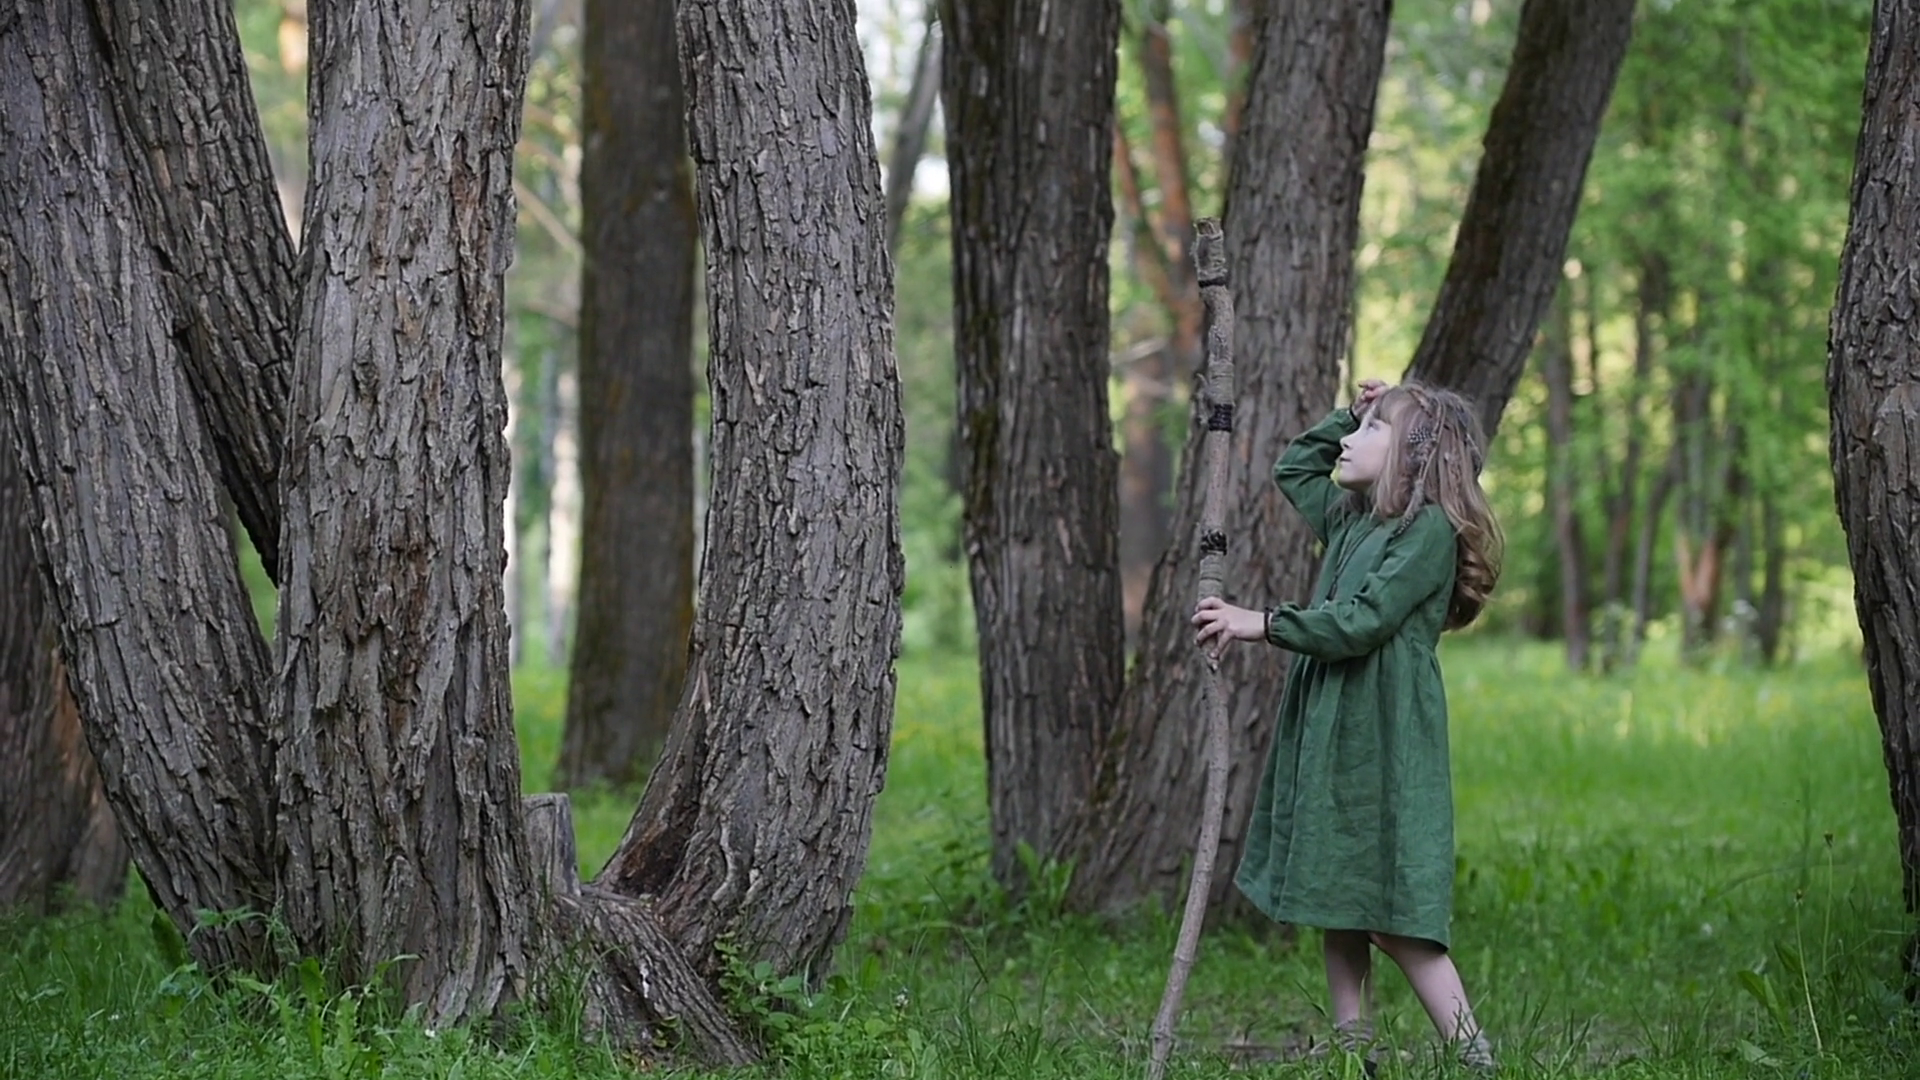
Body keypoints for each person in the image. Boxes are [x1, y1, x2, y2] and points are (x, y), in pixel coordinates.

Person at [1192, 379, 1504, 1073]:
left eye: (1370, 432)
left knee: (1396, 918)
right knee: (1340, 897)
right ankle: (1352, 1057)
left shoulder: (1428, 532)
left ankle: (1475, 1059)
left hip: (1384, 734)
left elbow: (1363, 622)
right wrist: (1354, 413)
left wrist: (1262, 623)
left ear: (1414, 457)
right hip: (1336, 727)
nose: (1350, 442)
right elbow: (1294, 467)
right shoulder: (1352, 521)